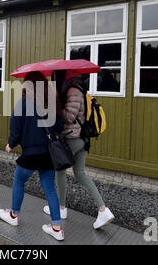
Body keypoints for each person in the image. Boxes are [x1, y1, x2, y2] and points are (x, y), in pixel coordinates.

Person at [43, 69, 114, 230]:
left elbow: (69, 116)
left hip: (73, 138)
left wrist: (56, 108)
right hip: (82, 139)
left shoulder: (73, 90)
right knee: (80, 173)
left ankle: (61, 209)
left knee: (60, 171)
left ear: (64, 77)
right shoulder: (78, 88)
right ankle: (102, 210)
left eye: (57, 76)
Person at [0, 71, 65, 241]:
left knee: (19, 180)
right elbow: (59, 126)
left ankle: (13, 216)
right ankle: (57, 228)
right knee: (49, 187)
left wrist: (11, 144)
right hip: (48, 154)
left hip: (31, 154)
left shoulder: (23, 104)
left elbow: (16, 129)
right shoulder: (49, 103)